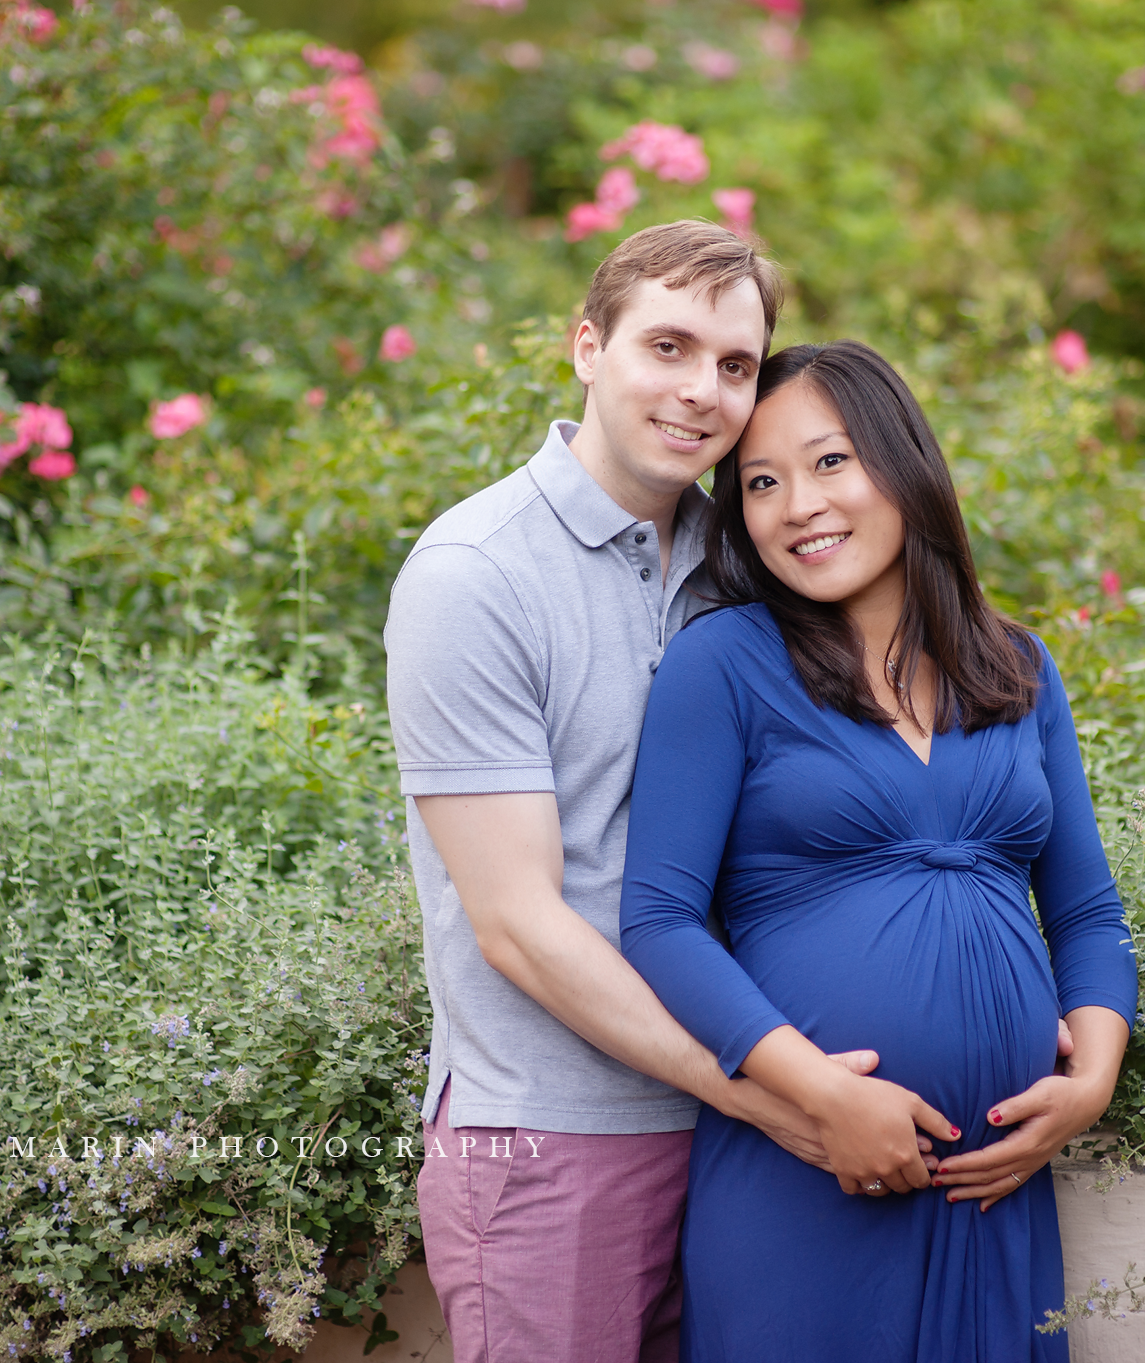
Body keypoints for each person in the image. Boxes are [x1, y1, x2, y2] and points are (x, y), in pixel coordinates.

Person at [384, 224, 933, 1363]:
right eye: (668, 347)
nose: (701, 391)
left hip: (744, 1150)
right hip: (555, 1144)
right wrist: (770, 1092)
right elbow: (518, 926)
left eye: (734, 365)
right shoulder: (473, 575)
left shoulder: (751, 560)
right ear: (587, 347)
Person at [619, 339, 1138, 1361]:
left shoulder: (1017, 667)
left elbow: (1084, 915)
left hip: (993, 1189)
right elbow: (659, 922)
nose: (796, 504)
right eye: (759, 483)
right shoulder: (721, 664)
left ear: (902, 465)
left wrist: (1090, 1082)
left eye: (828, 462)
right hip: (807, 1179)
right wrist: (821, 1095)